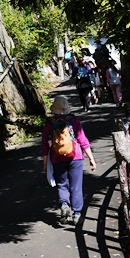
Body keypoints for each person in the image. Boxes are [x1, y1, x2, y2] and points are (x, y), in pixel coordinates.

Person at [42, 96, 97, 225]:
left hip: (57, 158)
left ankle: (64, 205)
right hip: (75, 157)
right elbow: (83, 140)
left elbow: (45, 145)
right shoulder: (74, 121)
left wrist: (45, 164)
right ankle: (77, 214)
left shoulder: (49, 124)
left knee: (62, 185)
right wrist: (91, 159)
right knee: (76, 186)